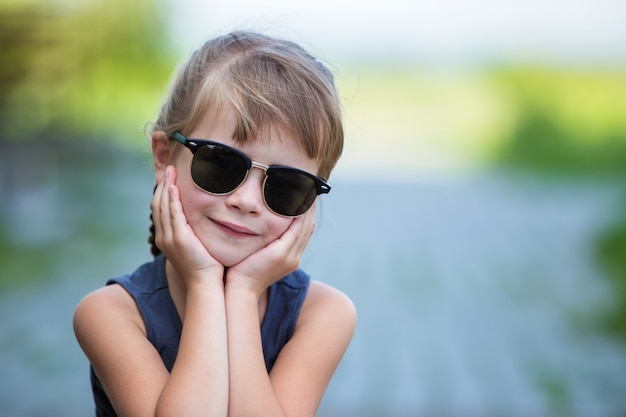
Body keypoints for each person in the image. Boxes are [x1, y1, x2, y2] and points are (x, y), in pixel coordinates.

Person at [73, 30, 356, 417]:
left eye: (287, 185)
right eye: (221, 163)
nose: (246, 201)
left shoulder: (323, 313)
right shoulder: (110, 314)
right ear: (163, 156)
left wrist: (242, 291)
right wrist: (205, 282)